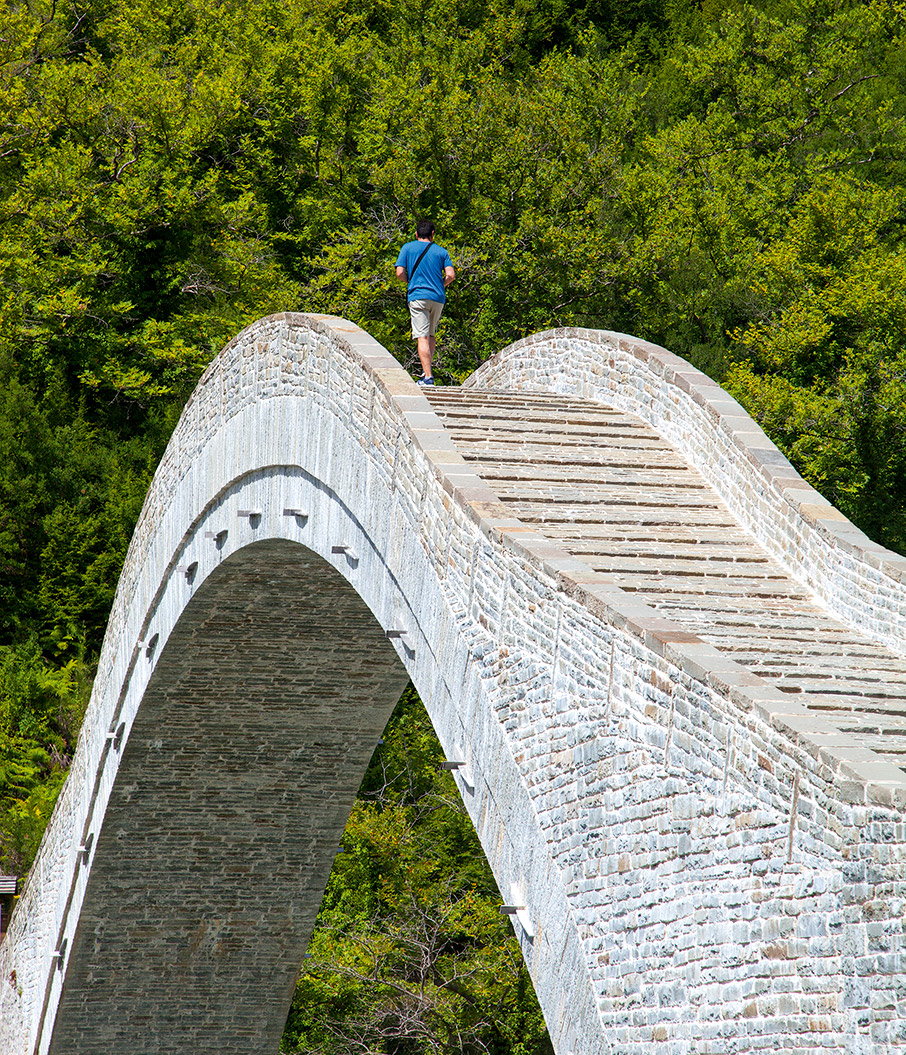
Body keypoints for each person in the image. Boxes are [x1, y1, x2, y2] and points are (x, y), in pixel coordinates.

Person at [395, 220, 455, 386]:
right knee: (430, 335)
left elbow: (399, 272)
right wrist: (439, 285)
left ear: (416, 234)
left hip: (418, 296)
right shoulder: (441, 252)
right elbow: (450, 275)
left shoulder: (407, 248)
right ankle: (425, 371)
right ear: (433, 234)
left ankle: (428, 377)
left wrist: (410, 282)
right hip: (437, 298)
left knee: (421, 336)